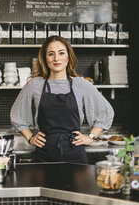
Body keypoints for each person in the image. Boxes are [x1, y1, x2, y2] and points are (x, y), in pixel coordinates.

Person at [10, 35, 114, 164]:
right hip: (45, 152)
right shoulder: (35, 84)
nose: (56, 58)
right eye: (51, 54)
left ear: (69, 56)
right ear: (45, 58)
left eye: (61, 53)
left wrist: (90, 137)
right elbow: (16, 114)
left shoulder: (81, 84)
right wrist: (30, 137)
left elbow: (106, 113)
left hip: (74, 151)